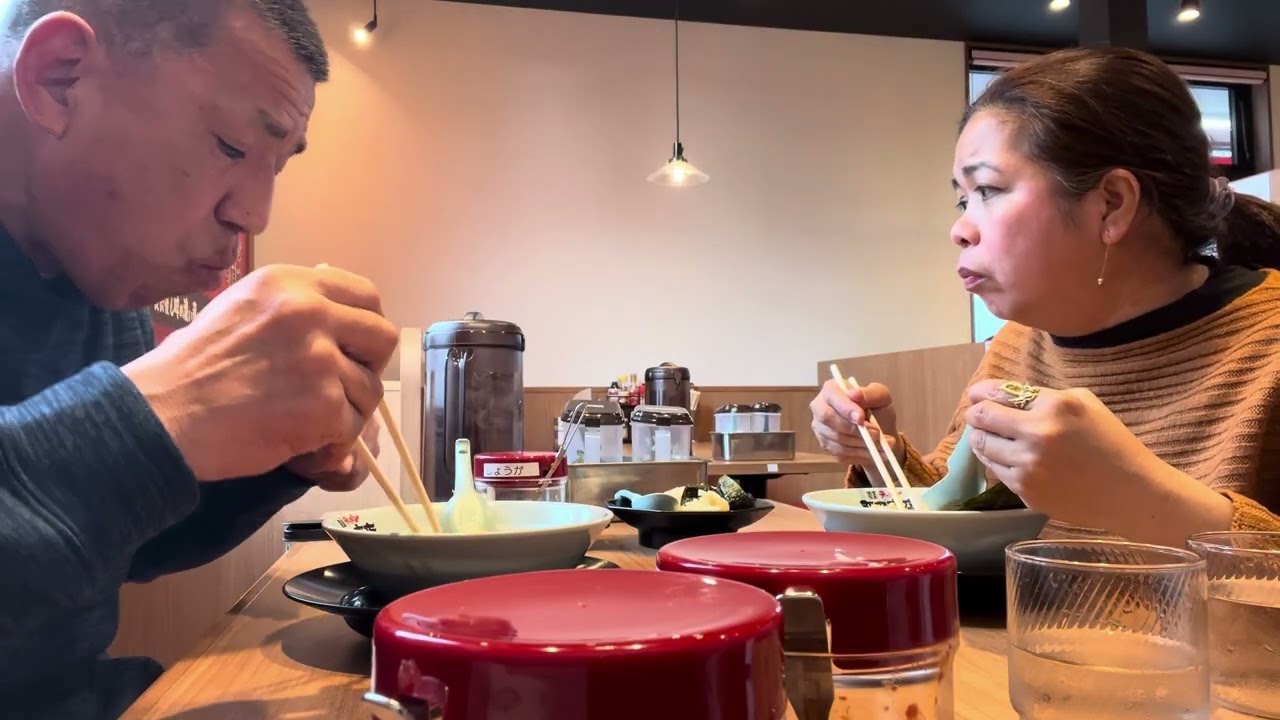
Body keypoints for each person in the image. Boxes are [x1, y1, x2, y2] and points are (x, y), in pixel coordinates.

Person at [0, 1, 398, 717]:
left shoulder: (100, 274)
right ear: (60, 78)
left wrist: (279, 450)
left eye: (278, 166)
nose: (255, 215)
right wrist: (159, 415)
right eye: (231, 146)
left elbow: (115, 544)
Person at [811, 47, 1280, 547]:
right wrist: (880, 452)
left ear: (1112, 204)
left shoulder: (1266, 343)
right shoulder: (1019, 343)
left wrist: (1137, 495)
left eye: (988, 190)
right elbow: (960, 508)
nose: (960, 229)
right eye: (963, 199)